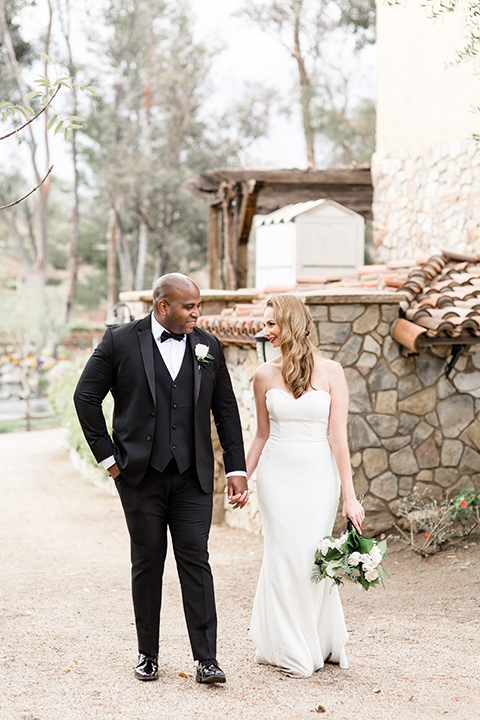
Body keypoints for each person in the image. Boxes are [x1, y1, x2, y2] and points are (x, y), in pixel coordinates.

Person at [74, 273, 248, 685]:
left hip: (192, 477)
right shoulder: (119, 341)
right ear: (163, 306)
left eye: (199, 305)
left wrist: (237, 468)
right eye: (190, 306)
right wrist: (109, 460)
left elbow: (225, 410)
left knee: (196, 561)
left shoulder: (208, 346)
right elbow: (85, 397)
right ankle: (147, 655)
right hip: (139, 477)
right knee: (147, 562)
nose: (197, 313)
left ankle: (207, 660)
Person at [246, 294, 364, 678]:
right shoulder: (264, 374)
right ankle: (289, 645)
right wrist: (240, 478)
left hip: (318, 478)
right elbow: (261, 435)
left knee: (312, 557)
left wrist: (350, 497)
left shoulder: (332, 372)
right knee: (282, 554)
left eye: (271, 324)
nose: (265, 332)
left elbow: (338, 439)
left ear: (292, 323)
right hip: (276, 477)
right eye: (264, 325)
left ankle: (317, 638)